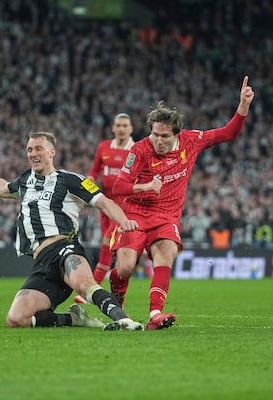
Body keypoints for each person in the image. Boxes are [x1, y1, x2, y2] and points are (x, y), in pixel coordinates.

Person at [0, 131, 144, 331]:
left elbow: (104, 202)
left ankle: (124, 320)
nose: (33, 153)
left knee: (84, 284)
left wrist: (123, 220)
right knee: (17, 319)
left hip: (65, 249)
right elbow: (2, 188)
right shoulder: (25, 180)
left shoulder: (70, 180)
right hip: (42, 263)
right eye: (29, 149)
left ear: (52, 152)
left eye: (38, 148)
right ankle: (75, 319)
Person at [109, 76, 255, 329]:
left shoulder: (191, 140)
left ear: (176, 133)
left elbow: (228, 133)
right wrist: (144, 186)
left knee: (165, 257)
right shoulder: (140, 150)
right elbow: (117, 186)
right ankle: (116, 304)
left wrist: (243, 105)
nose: (159, 141)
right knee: (125, 268)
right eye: (155, 134)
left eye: (165, 136)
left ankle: (155, 314)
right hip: (134, 215)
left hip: (166, 216)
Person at [74, 112, 136, 304]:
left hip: (123, 206)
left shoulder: (136, 150)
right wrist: (87, 188)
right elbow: (94, 172)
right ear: (113, 128)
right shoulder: (103, 147)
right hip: (104, 204)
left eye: (125, 126)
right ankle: (103, 287)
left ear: (131, 129)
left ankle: (91, 290)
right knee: (107, 247)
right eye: (118, 125)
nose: (121, 129)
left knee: (106, 246)